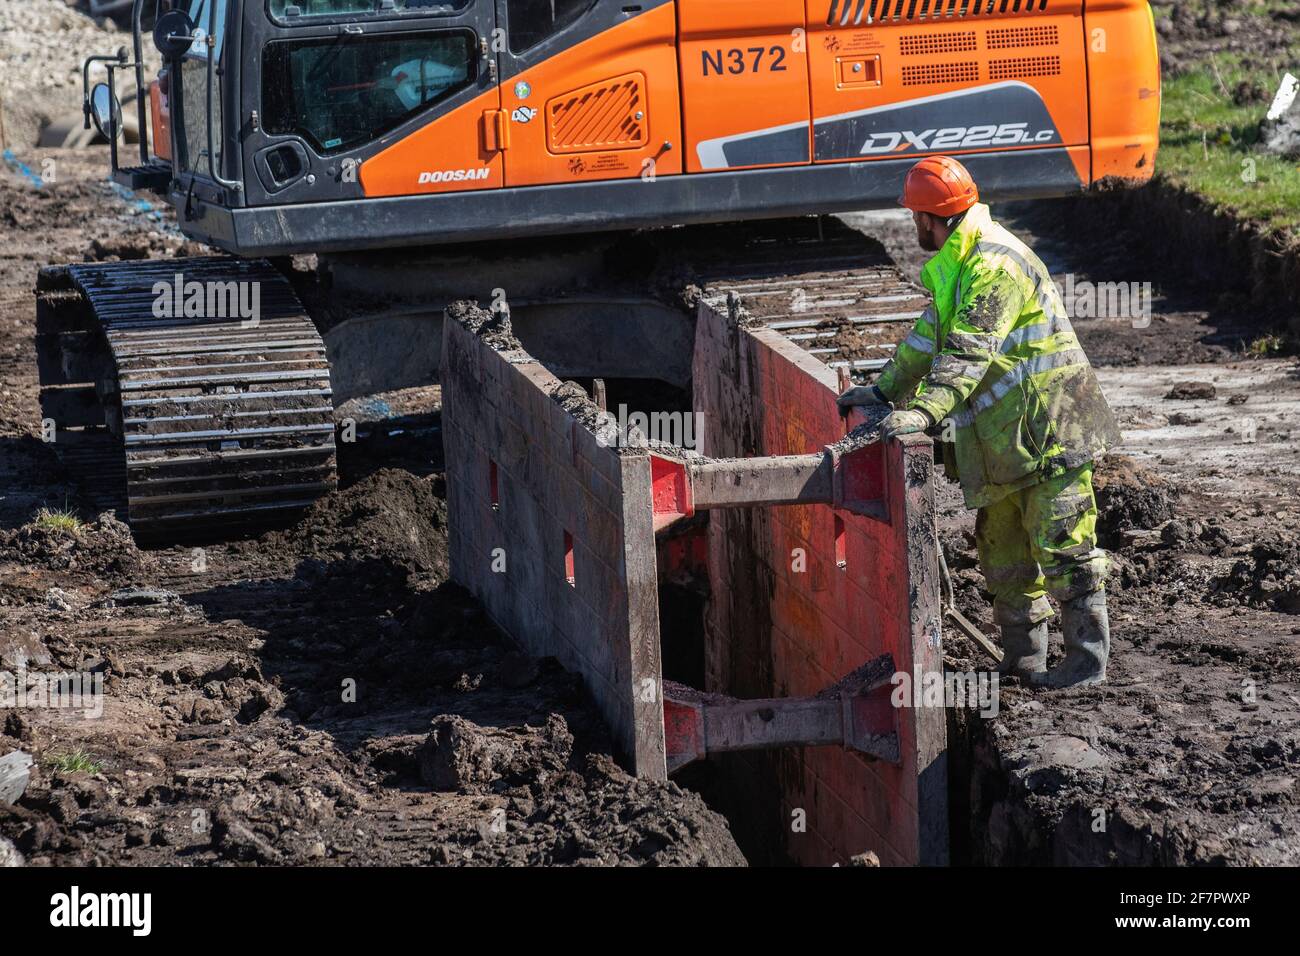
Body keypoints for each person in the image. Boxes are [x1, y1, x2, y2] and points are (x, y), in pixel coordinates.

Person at [839, 155, 1122, 689]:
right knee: (1005, 559)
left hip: (1049, 432)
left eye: (913, 217)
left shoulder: (994, 264)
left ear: (928, 217)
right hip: (1005, 442)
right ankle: (1023, 663)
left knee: (1064, 551)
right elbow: (928, 339)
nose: (912, 226)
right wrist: (883, 389)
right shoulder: (961, 262)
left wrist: (923, 411)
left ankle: (1086, 666)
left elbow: (969, 352)